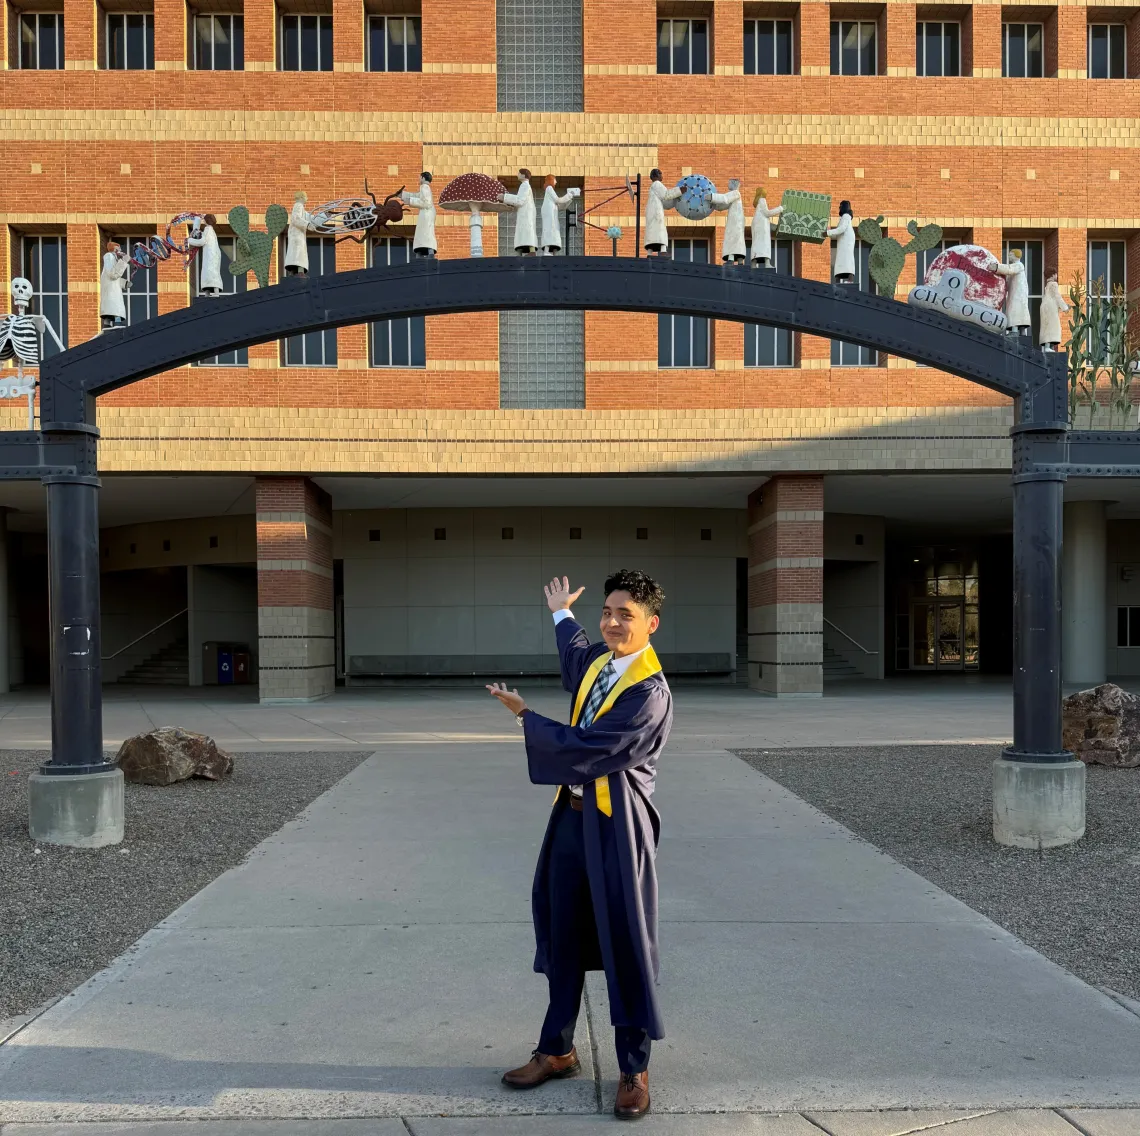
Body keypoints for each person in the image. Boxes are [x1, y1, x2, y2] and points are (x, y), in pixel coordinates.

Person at [487, 570, 673, 1122]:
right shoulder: (601, 662)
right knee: (562, 928)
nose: (614, 623)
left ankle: (634, 1069)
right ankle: (558, 1049)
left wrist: (525, 716)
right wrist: (561, 612)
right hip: (571, 820)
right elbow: (576, 660)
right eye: (608, 612)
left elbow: (587, 746)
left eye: (627, 616)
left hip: (617, 827)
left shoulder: (648, 693)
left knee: (625, 942)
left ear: (652, 624)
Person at [643, 168, 682, 256]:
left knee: (653, 232)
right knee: (660, 230)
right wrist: (680, 190)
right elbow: (666, 195)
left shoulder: (653, 187)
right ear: (657, 175)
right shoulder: (657, 184)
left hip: (653, 211)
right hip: (656, 212)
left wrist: (675, 200)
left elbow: (666, 203)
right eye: (660, 174)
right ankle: (663, 251)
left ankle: (650, 252)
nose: (662, 176)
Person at [540, 175, 580, 256]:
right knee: (550, 230)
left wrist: (570, 198)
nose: (556, 182)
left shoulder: (549, 192)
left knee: (553, 231)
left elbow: (561, 206)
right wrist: (569, 195)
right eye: (555, 180)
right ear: (551, 180)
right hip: (549, 214)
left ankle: (552, 251)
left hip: (551, 213)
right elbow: (558, 200)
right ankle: (547, 251)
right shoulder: (549, 188)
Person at [501, 169, 538, 255]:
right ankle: (525, 251)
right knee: (525, 232)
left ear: (523, 175)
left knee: (526, 231)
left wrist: (504, 197)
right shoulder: (525, 185)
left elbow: (520, 200)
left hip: (525, 214)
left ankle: (530, 252)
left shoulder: (524, 185)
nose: (517, 174)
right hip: (525, 213)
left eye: (519, 173)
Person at [401, 172, 437, 257]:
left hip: (426, 214)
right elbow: (417, 196)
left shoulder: (424, 187)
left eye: (420, 177)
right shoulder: (425, 188)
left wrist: (410, 201)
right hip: (427, 213)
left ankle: (425, 251)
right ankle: (423, 250)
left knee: (425, 234)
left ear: (423, 178)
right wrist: (403, 195)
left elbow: (426, 203)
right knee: (424, 234)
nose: (419, 179)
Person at [995, 248, 1030, 336]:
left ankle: (1015, 330)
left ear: (1016, 256)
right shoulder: (1016, 266)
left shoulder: (1018, 265)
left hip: (1018, 293)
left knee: (1015, 309)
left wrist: (997, 267)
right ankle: (1022, 331)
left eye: (1010, 255)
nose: (1009, 257)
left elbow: (1009, 269)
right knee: (1018, 310)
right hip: (1016, 292)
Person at [711, 178, 745, 265]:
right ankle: (740, 261)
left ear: (734, 184)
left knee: (732, 239)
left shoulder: (735, 193)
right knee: (737, 240)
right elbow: (723, 205)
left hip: (735, 222)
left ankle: (731, 259)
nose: (728, 185)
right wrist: (714, 206)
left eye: (729, 183)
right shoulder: (735, 195)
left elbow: (725, 198)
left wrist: (711, 197)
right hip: (736, 221)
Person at [186, 214, 223, 296]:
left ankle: (211, 293)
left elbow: (201, 242)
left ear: (206, 221)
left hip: (210, 256)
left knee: (209, 273)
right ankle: (209, 292)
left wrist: (190, 240)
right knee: (211, 272)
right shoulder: (211, 231)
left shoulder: (207, 230)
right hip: (213, 255)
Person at [749, 187, 784, 268]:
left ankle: (753, 263)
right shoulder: (762, 200)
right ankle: (767, 263)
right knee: (765, 243)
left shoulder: (758, 204)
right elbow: (767, 213)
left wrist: (771, 226)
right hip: (761, 227)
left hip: (756, 225)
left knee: (756, 244)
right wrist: (780, 209)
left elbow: (764, 217)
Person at [285, 190, 316, 276]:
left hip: (298, 235)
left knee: (298, 255)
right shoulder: (298, 205)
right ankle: (298, 271)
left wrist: (324, 216)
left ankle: (297, 271)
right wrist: (307, 225)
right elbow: (296, 219)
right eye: (306, 197)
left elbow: (309, 218)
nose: (307, 198)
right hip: (297, 236)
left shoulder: (301, 207)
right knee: (298, 254)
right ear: (302, 197)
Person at [99, 241, 129, 329]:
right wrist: (123, 262)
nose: (120, 250)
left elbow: (115, 277)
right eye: (118, 248)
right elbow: (112, 274)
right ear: (115, 248)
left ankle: (112, 323)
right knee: (115, 308)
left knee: (115, 308)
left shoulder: (114, 258)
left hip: (113, 288)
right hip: (111, 291)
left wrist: (124, 283)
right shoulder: (109, 256)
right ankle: (116, 323)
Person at [1039, 268, 1068, 351]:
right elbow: (1057, 296)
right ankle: (1048, 346)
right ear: (1053, 274)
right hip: (1050, 307)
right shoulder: (1053, 284)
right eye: (1056, 274)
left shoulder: (1047, 285)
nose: (1057, 276)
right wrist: (1065, 307)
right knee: (1052, 326)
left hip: (1044, 306)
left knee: (1046, 325)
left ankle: (1047, 346)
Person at [827, 200, 855, 284]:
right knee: (841, 260)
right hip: (843, 240)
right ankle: (838, 279)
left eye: (840, 206)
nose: (839, 208)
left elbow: (841, 229)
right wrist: (828, 233)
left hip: (846, 241)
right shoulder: (844, 217)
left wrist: (828, 232)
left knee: (847, 259)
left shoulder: (846, 216)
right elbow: (837, 234)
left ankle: (850, 280)